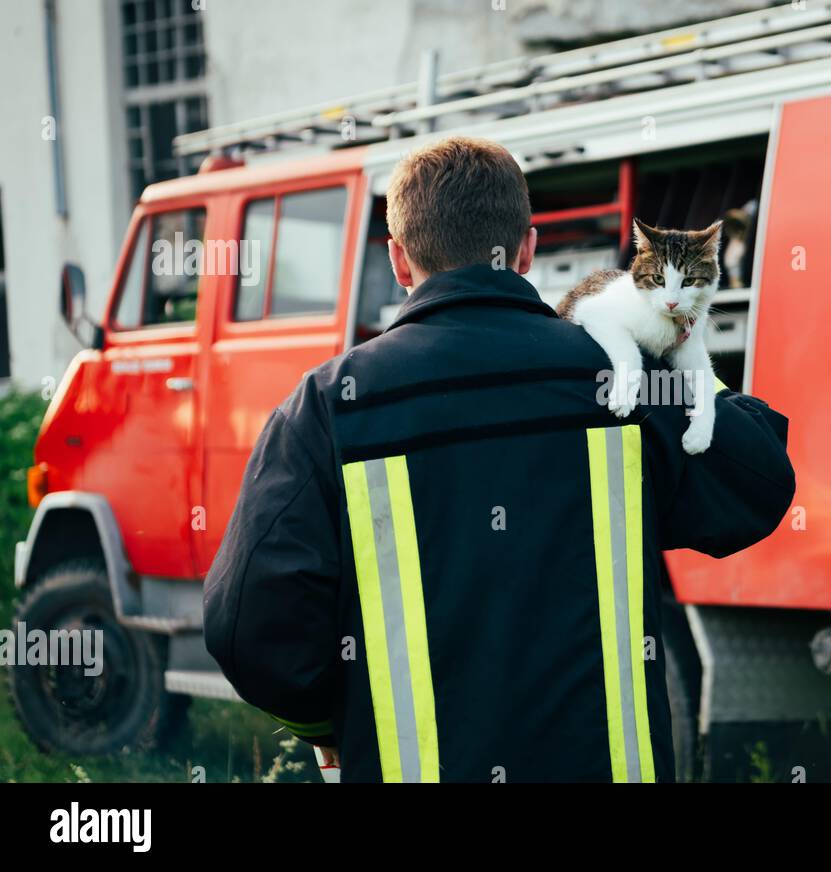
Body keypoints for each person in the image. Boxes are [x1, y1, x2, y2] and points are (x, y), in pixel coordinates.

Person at [202, 136, 795, 782]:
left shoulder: (328, 406)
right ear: (527, 249)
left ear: (399, 262)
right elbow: (760, 478)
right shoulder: (619, 380)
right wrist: (680, 355)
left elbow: (244, 629)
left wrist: (330, 724)